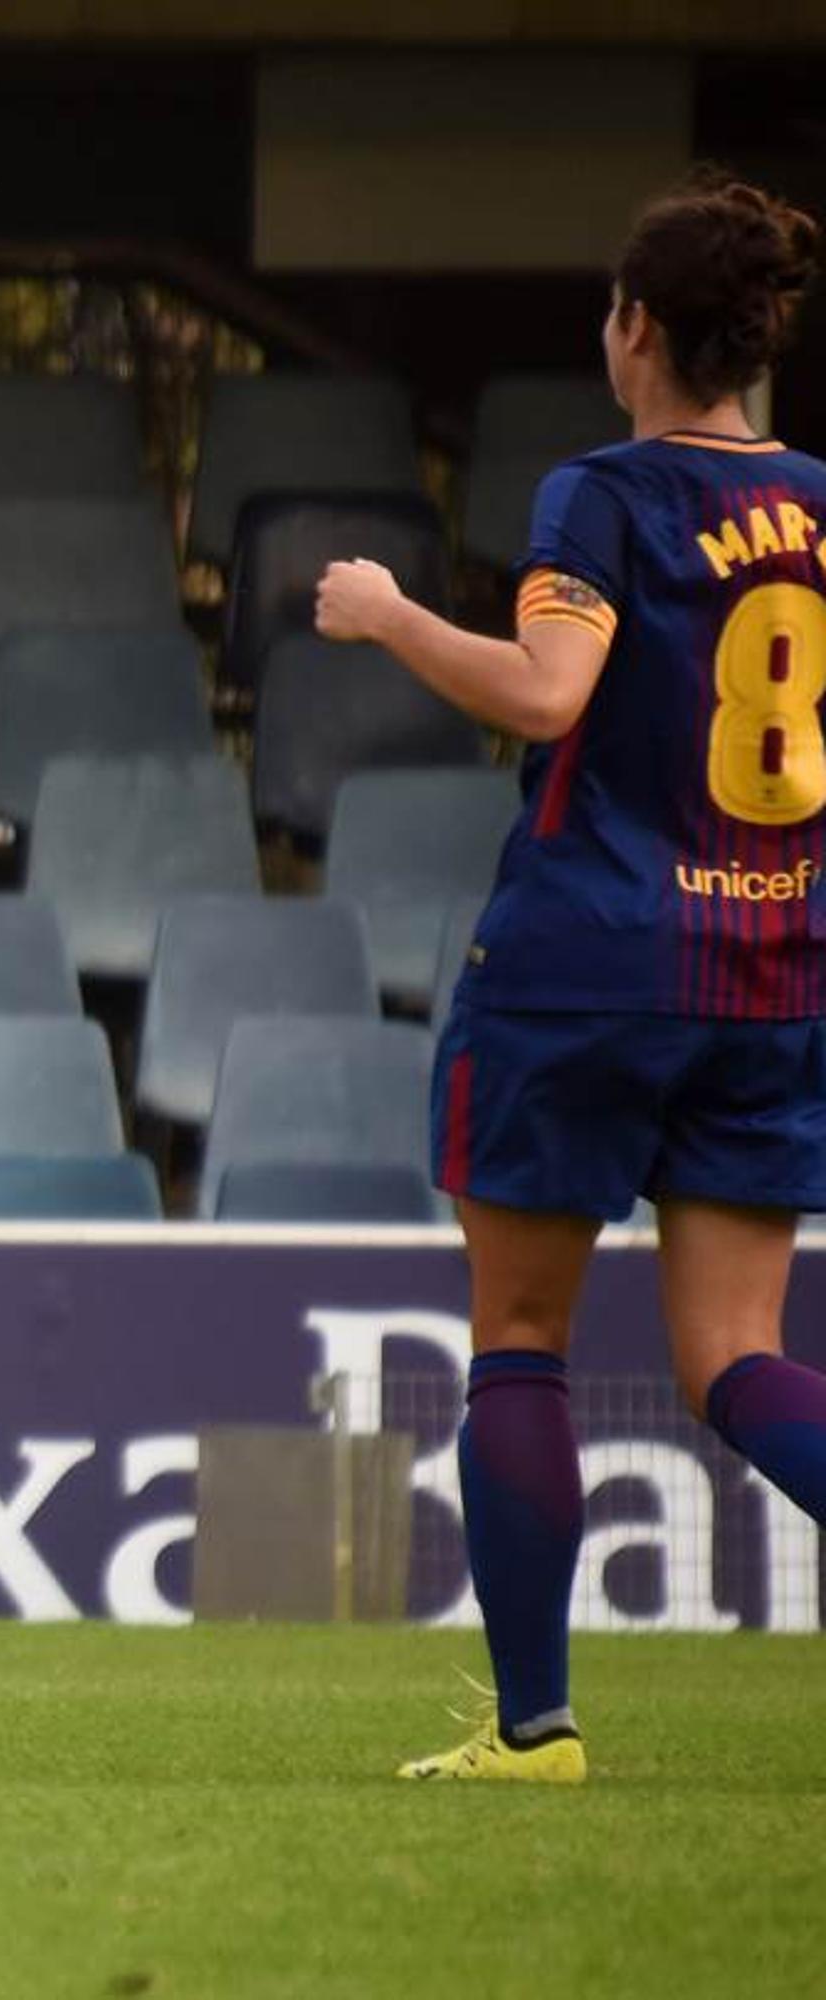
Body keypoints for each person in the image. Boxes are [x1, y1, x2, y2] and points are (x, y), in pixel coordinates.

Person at [314, 171, 826, 1783]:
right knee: (734, 1359)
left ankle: (536, 1727)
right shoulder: (821, 501)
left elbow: (547, 695)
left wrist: (391, 615)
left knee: (521, 1338)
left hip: (588, 966)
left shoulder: (602, 495)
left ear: (636, 330)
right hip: (774, 967)